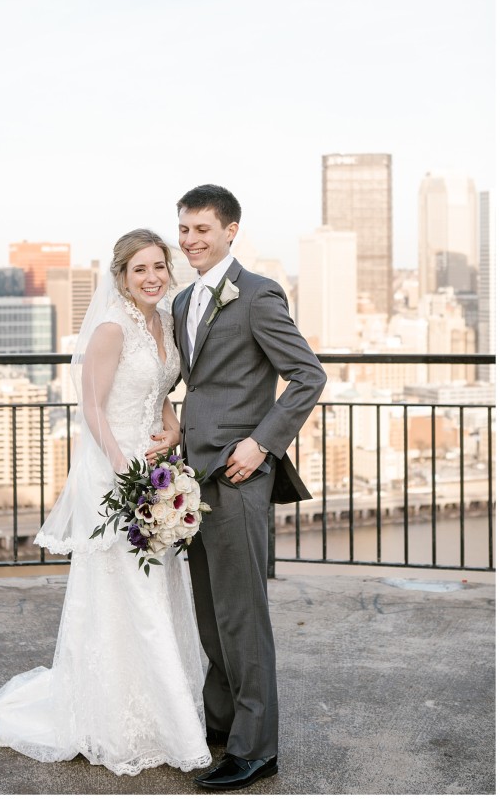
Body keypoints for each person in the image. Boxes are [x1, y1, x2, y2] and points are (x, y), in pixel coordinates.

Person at [0, 229, 211, 777]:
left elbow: (159, 395)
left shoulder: (164, 322)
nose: (152, 276)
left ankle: (160, 708)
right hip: (116, 471)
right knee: (127, 587)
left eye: (159, 266)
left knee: (158, 584)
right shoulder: (112, 329)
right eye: (140, 269)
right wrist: (121, 464)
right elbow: (92, 406)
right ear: (121, 277)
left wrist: (173, 432)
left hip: (154, 470)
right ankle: (127, 720)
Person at [166, 184, 326, 791]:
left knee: (242, 618)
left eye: (201, 230)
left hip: (238, 479)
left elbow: (308, 376)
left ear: (231, 231)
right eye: (183, 229)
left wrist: (262, 443)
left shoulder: (258, 295)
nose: (190, 240)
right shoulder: (184, 301)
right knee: (209, 614)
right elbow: (198, 385)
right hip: (190, 481)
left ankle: (257, 750)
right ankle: (224, 723)